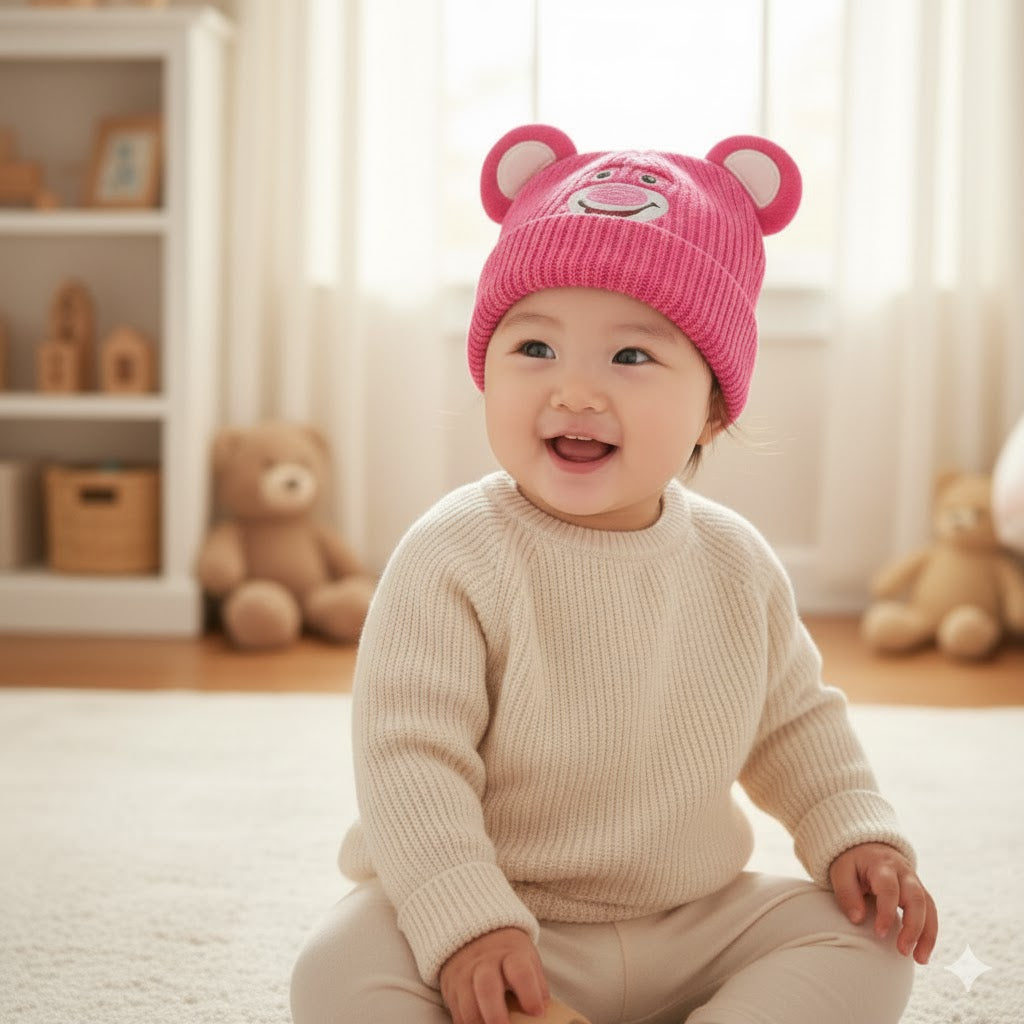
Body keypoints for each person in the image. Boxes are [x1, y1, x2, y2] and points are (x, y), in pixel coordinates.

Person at [291, 124, 938, 1024]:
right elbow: (410, 762)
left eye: (631, 356)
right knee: (338, 971)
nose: (575, 392)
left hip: (688, 922)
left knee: (867, 949)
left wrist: (855, 836)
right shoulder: (452, 554)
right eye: (535, 350)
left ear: (713, 409)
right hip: (498, 924)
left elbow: (795, 726)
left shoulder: (734, 562)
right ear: (486, 370)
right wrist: (469, 925)